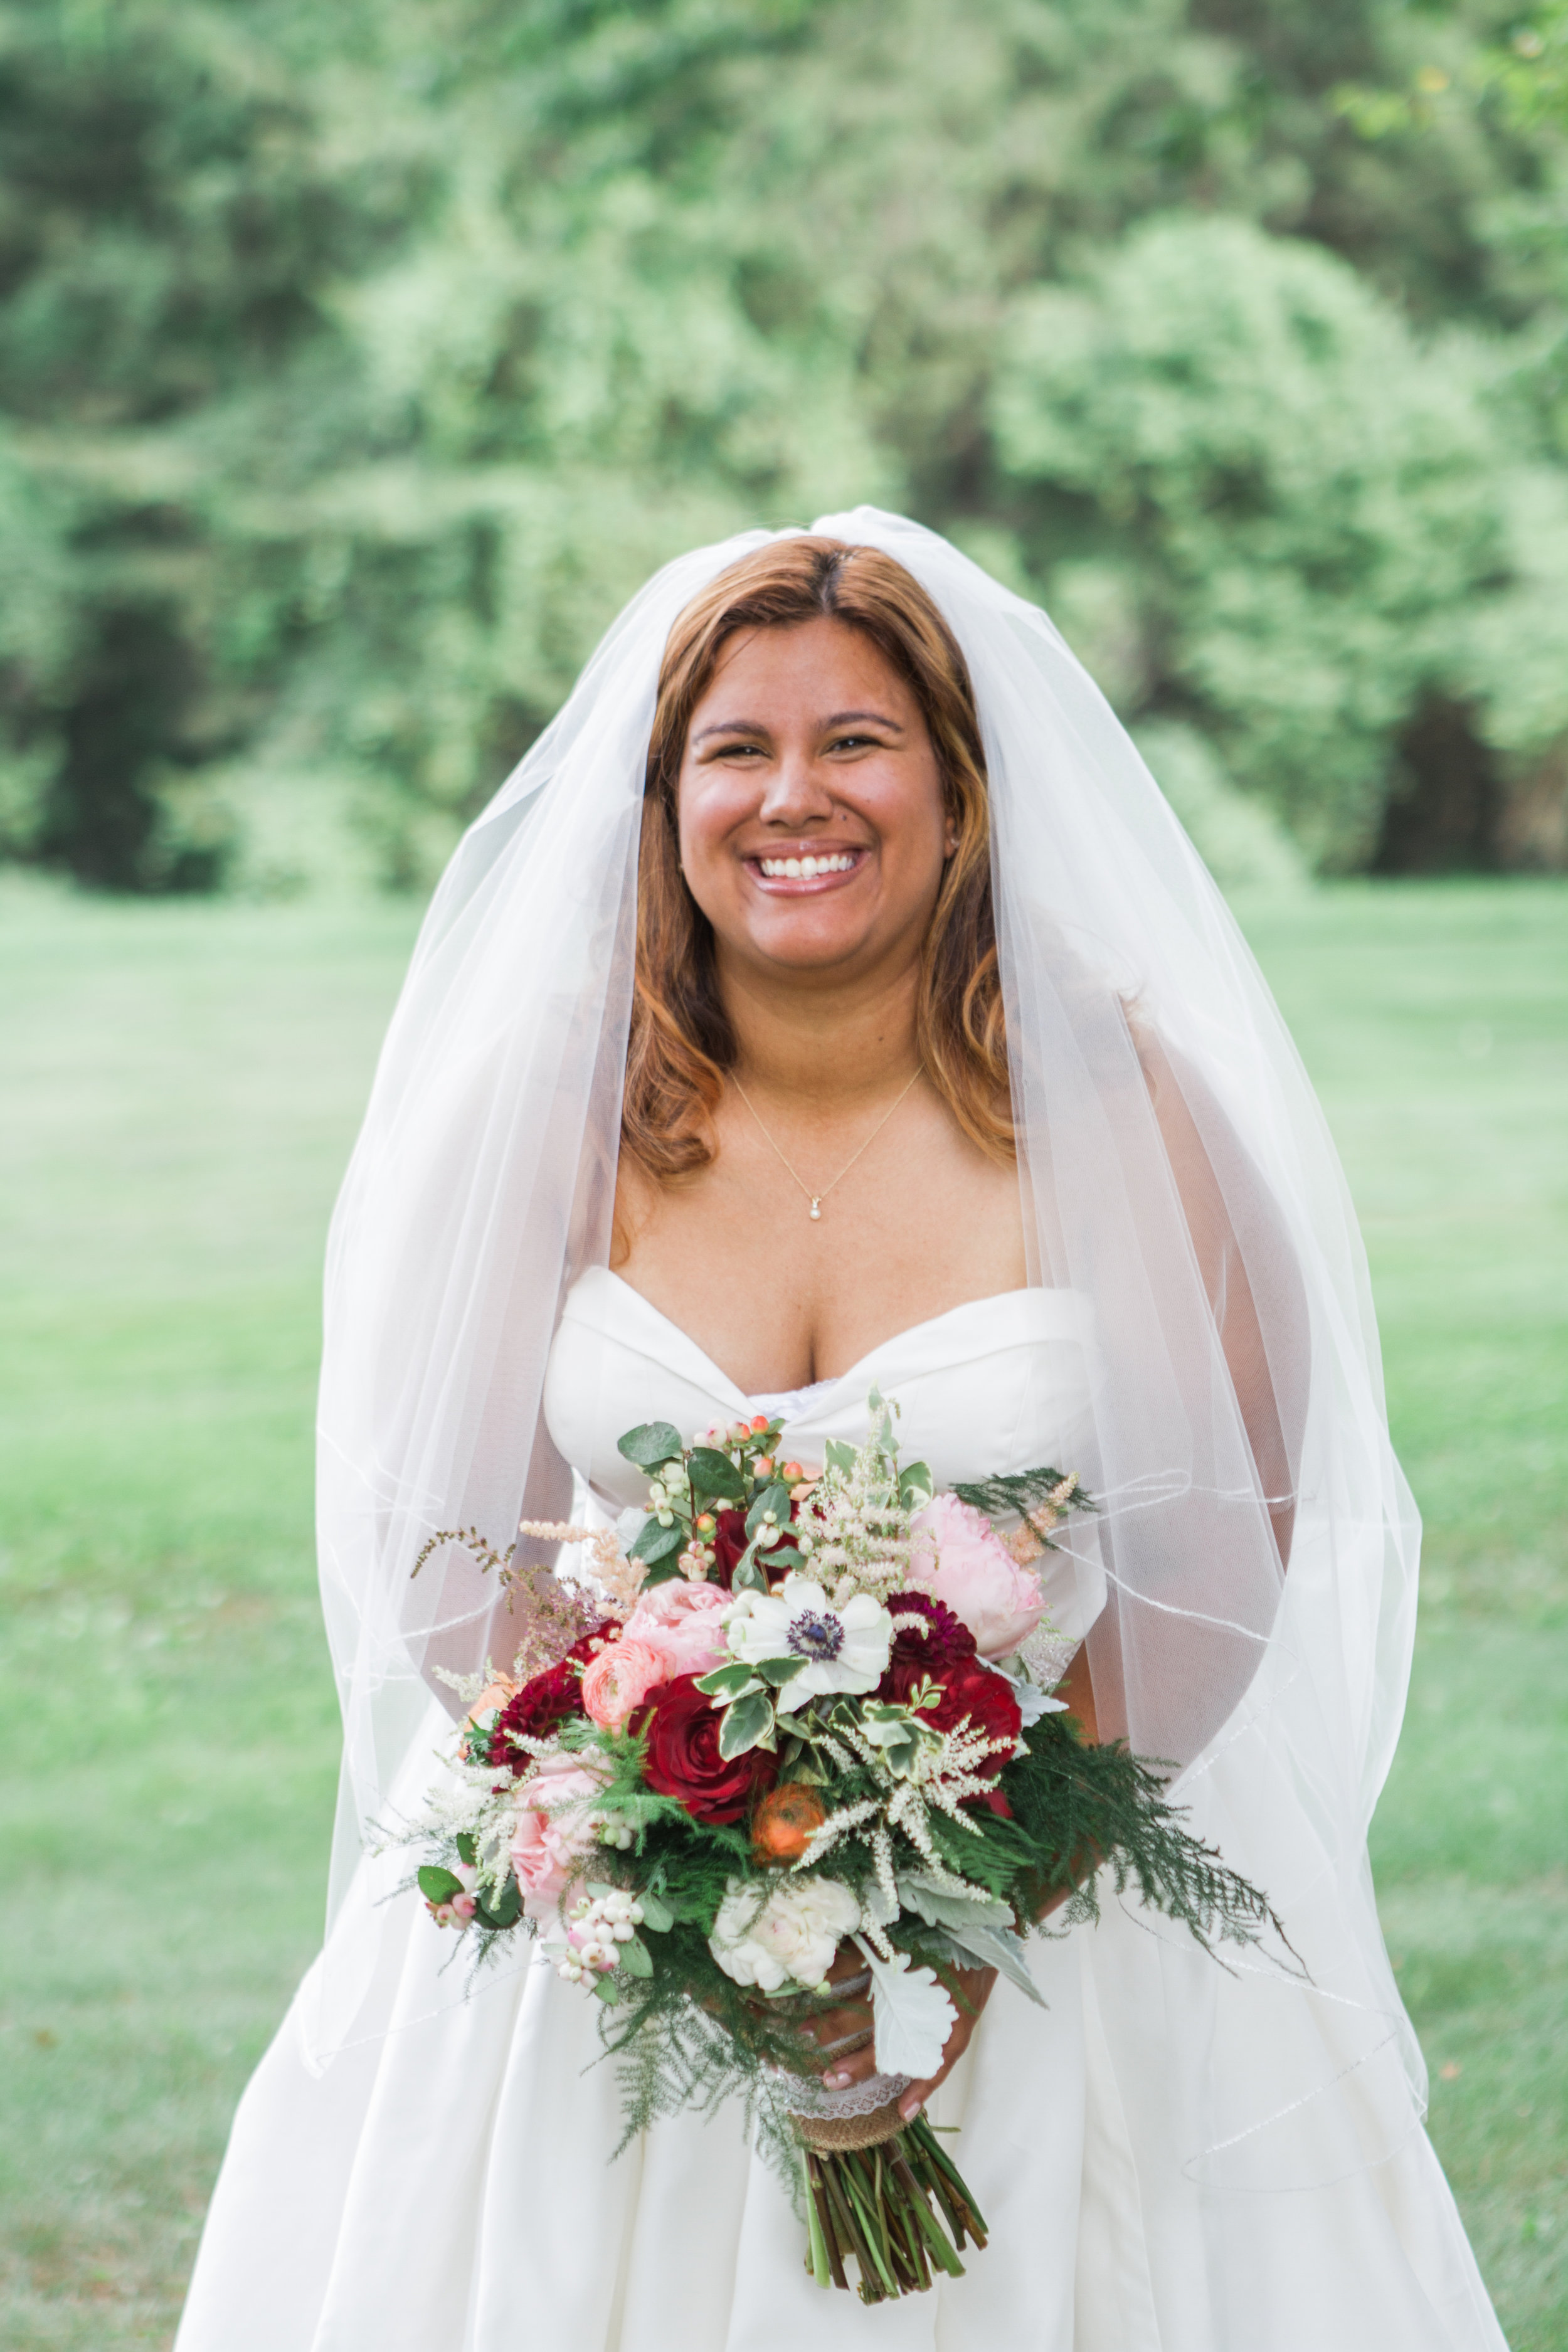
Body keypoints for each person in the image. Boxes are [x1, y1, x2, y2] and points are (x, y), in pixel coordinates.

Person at [176, 515, 1506, 2351]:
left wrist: (952, 1924)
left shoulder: (1123, 1113)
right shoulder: (557, 1106)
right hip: (611, 1938)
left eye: (856, 741)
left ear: (959, 791)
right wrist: (649, 1866)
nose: (794, 797)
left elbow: (1209, 1577)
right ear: (664, 804)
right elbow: (446, 1555)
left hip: (1056, 1895)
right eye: (736, 750)